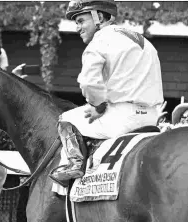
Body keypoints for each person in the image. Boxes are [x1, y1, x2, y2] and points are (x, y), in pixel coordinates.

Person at [50, 0, 164, 193]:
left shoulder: (100, 41)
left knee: (66, 119)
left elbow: (88, 82)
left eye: (80, 20)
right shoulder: (142, 39)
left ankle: (73, 168)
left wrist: (99, 106)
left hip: (121, 118)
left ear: (99, 17)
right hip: (152, 117)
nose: (77, 28)